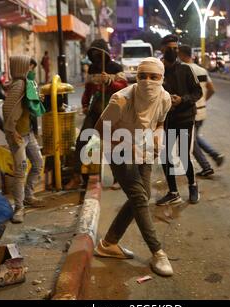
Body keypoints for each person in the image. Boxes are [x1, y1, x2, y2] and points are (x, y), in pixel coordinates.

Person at [94, 57, 174, 277]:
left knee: (144, 194)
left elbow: (159, 122)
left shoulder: (165, 98)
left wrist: (158, 136)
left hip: (145, 149)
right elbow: (100, 129)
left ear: (162, 78)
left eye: (154, 77)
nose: (148, 81)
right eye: (142, 76)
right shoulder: (120, 100)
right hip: (119, 149)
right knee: (139, 197)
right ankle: (157, 252)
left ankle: (108, 243)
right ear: (136, 77)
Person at [65, 39, 128, 190]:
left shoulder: (115, 67)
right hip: (95, 111)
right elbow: (88, 90)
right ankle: (77, 176)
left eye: (98, 53)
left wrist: (109, 82)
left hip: (111, 111)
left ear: (105, 53)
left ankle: (118, 178)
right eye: (93, 53)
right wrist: (85, 104)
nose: (96, 56)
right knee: (82, 141)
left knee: (114, 145)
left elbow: (123, 86)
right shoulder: (92, 68)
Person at [156, 34, 202, 206]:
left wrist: (182, 100)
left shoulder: (186, 70)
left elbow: (198, 93)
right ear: (162, 49)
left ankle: (193, 185)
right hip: (166, 120)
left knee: (183, 155)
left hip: (184, 118)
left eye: (176, 48)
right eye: (170, 48)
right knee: (165, 156)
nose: (174, 51)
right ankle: (173, 192)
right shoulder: (157, 72)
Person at [3, 56, 45, 223]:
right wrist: (12, 133)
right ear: (20, 68)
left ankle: (28, 195)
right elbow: (7, 109)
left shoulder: (27, 84)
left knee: (38, 163)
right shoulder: (18, 85)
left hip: (28, 133)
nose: (31, 71)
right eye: (29, 68)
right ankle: (19, 208)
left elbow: (28, 106)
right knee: (20, 172)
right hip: (18, 136)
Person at [178, 45, 224, 177]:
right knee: (194, 138)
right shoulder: (202, 70)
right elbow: (211, 89)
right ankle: (215, 155)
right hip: (202, 111)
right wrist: (203, 101)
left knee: (190, 141)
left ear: (181, 54)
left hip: (190, 112)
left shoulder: (183, 71)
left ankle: (206, 167)